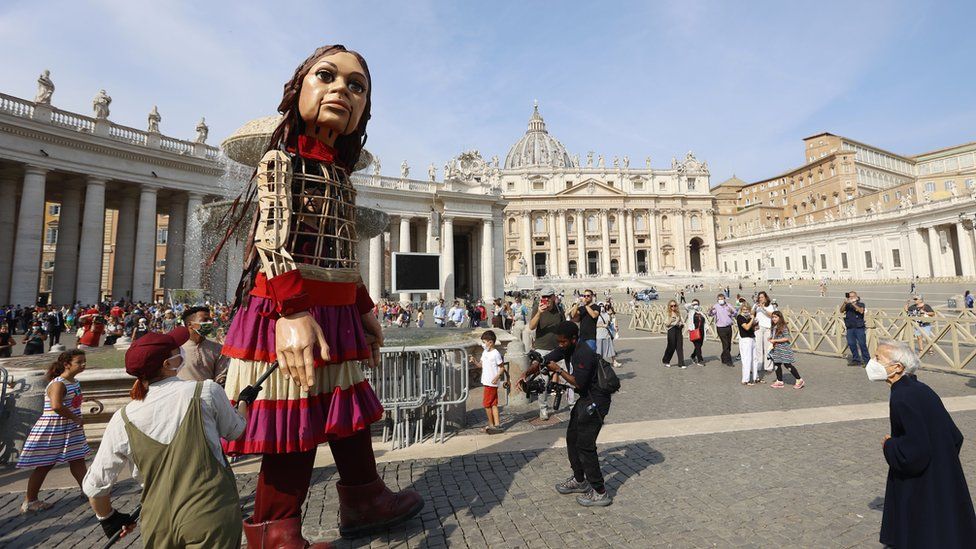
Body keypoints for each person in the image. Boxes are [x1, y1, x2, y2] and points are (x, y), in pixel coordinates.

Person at [214, 45, 422, 545]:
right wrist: (290, 310)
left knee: (344, 409)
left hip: (335, 308)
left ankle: (364, 497)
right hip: (291, 307)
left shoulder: (340, 176)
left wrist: (364, 309)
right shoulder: (280, 161)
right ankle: (274, 528)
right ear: (298, 88)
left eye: (356, 86)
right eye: (326, 76)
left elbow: (341, 254)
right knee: (296, 415)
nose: (341, 91)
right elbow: (271, 239)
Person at [82, 328, 246, 547]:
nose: (182, 352)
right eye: (177, 350)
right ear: (168, 364)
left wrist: (108, 519)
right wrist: (243, 404)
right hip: (209, 513)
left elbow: (95, 486)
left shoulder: (122, 418)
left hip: (157, 522)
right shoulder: (206, 391)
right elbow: (235, 431)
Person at [866, 339, 976, 547]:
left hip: (922, 477)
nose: (872, 362)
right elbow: (955, 435)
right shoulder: (920, 388)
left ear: (897, 367)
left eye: (878, 358)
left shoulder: (902, 396)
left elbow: (914, 450)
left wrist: (890, 446)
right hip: (943, 469)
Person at [524, 321, 613, 507]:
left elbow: (578, 383)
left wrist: (559, 370)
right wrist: (534, 365)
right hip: (586, 398)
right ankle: (580, 480)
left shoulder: (584, 353)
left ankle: (600, 491)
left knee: (586, 445)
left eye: (564, 342)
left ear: (574, 339)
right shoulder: (568, 347)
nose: (561, 345)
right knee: (572, 438)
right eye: (559, 341)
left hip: (596, 401)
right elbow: (550, 356)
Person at [17, 350, 91, 513]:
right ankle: (30, 501)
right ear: (67, 364)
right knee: (45, 464)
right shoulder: (58, 383)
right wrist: (75, 418)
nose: (83, 365)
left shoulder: (74, 382)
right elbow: (56, 406)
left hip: (69, 428)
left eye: (84, 361)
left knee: (77, 459)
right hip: (54, 428)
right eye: (79, 362)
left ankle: (88, 491)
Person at [178, 306, 229, 384]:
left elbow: (220, 376)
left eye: (210, 320)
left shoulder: (217, 348)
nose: (209, 323)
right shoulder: (176, 349)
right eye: (205, 320)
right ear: (190, 325)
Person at [469, 330, 506, 433]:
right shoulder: (485, 352)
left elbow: (502, 367)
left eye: (484, 342)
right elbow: (481, 365)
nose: (483, 344)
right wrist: (474, 361)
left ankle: (491, 425)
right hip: (487, 382)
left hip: (491, 383)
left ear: (490, 342)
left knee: (487, 404)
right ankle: (497, 424)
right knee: (493, 404)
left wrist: (497, 377)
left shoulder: (495, 354)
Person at [768, 311, 803, 389]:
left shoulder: (783, 326)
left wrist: (775, 340)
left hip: (784, 349)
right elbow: (774, 336)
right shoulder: (773, 326)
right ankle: (779, 381)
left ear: (780, 318)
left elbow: (786, 338)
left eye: (776, 317)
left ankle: (799, 379)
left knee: (787, 364)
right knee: (777, 363)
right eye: (773, 317)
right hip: (776, 349)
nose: (774, 319)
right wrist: (771, 339)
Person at [840, 291, 868, 366]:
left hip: (859, 327)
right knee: (851, 344)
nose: (851, 298)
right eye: (850, 296)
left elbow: (861, 311)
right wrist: (845, 303)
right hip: (850, 327)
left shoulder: (861, 304)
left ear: (856, 296)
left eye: (852, 296)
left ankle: (867, 361)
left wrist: (853, 304)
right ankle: (856, 360)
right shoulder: (847, 305)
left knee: (862, 344)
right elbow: (841, 310)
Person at [752, 292, 775, 379]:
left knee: (768, 347)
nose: (760, 299)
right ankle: (758, 365)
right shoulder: (756, 305)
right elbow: (751, 313)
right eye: (759, 297)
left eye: (762, 297)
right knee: (758, 347)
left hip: (768, 328)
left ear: (766, 298)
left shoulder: (770, 306)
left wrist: (763, 308)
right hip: (759, 327)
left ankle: (768, 367)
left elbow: (772, 315)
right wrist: (755, 307)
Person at [709, 293, 736, 366]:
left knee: (728, 344)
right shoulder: (716, 306)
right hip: (720, 328)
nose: (721, 300)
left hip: (728, 327)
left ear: (724, 299)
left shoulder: (728, 305)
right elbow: (711, 314)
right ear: (717, 300)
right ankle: (729, 361)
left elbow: (735, 313)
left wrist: (732, 312)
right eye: (719, 299)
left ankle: (723, 357)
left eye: (722, 299)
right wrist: (710, 310)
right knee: (725, 344)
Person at [737, 303, 757, 385]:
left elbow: (753, 328)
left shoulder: (748, 317)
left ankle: (756, 377)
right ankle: (746, 379)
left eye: (747, 310)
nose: (746, 311)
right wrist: (752, 319)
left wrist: (755, 323)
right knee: (747, 359)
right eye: (744, 310)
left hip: (752, 338)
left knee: (755, 359)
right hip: (745, 340)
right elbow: (747, 327)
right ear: (741, 310)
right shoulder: (740, 317)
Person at [662, 300, 686, 369]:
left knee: (679, 346)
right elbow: (666, 324)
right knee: (671, 346)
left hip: (678, 329)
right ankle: (666, 360)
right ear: (669, 306)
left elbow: (681, 321)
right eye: (671, 306)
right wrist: (671, 320)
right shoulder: (667, 313)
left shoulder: (678, 313)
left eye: (675, 305)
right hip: (671, 330)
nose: (673, 307)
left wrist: (681, 324)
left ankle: (681, 363)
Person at [595, 303, 619, 368]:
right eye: (600, 306)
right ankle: (599, 363)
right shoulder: (595, 315)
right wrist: (602, 325)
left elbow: (608, 324)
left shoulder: (606, 315)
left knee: (611, 348)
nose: (601, 307)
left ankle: (614, 361)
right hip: (598, 335)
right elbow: (593, 325)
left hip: (606, 333)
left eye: (602, 306)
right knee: (599, 350)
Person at [685, 299, 707, 366]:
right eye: (694, 304)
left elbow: (705, 321)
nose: (696, 305)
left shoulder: (700, 312)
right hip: (694, 331)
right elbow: (686, 306)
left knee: (699, 346)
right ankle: (700, 360)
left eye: (697, 304)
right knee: (697, 346)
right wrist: (692, 304)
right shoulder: (691, 311)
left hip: (701, 331)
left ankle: (693, 356)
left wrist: (707, 328)